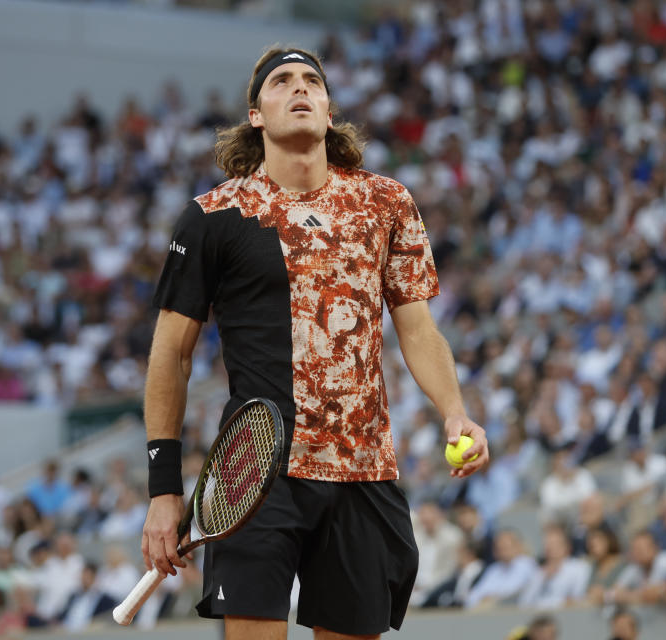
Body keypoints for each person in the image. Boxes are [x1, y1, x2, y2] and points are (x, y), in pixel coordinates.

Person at [141, 46, 489, 640]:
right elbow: (170, 354)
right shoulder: (212, 217)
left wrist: (455, 412)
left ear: (329, 111)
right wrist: (163, 489)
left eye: (312, 81)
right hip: (254, 476)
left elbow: (418, 328)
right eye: (282, 82)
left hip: (364, 472)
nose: (299, 88)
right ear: (257, 114)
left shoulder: (387, 203)